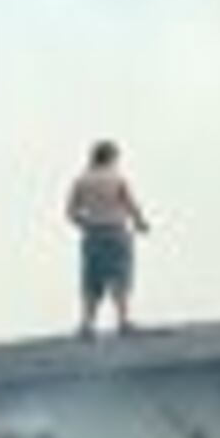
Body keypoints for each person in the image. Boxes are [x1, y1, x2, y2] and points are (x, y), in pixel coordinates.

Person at [64, 138, 152, 337]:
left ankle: (87, 324)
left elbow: (70, 212)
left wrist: (85, 224)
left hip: (93, 233)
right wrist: (140, 223)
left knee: (91, 279)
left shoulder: (81, 180)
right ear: (111, 157)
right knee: (120, 276)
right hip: (116, 231)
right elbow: (130, 204)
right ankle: (123, 321)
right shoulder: (117, 178)